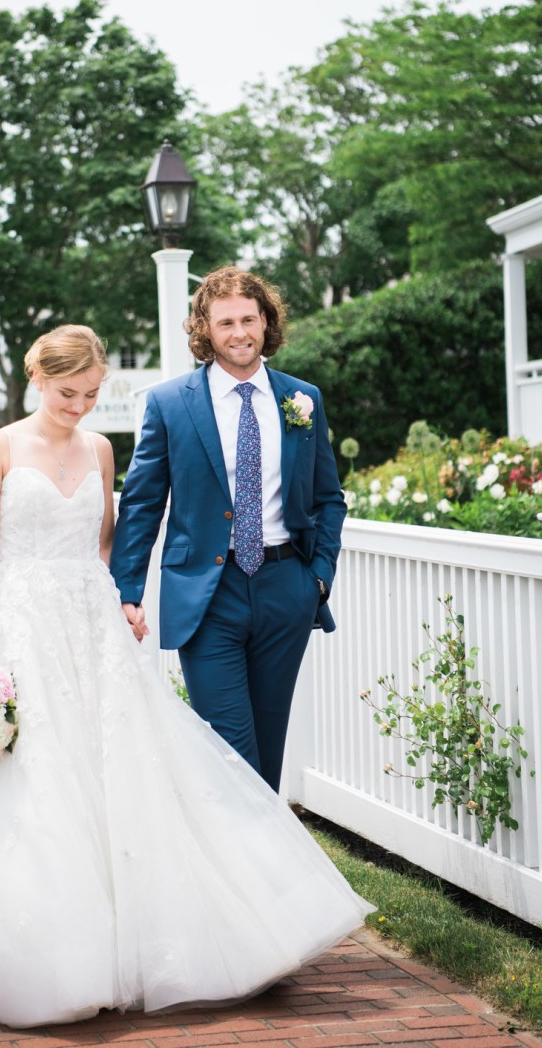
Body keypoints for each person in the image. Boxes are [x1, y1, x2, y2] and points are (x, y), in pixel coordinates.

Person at [0, 324, 371, 1031]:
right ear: (39, 380)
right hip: (21, 622)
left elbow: (105, 540)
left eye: (92, 394)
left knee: (124, 772)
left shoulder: (99, 449)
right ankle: (42, 956)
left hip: (90, 625)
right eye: (69, 393)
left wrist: (120, 603)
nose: (80, 406)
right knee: (36, 777)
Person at [111, 267, 346, 793]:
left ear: (265, 322)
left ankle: (262, 870)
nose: (238, 332)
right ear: (205, 330)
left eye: (248, 319)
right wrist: (126, 589)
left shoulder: (302, 399)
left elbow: (329, 498)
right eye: (225, 323)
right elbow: (143, 503)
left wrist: (319, 578)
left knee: (269, 742)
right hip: (206, 594)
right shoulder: (170, 404)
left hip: (286, 587)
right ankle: (246, 863)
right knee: (228, 749)